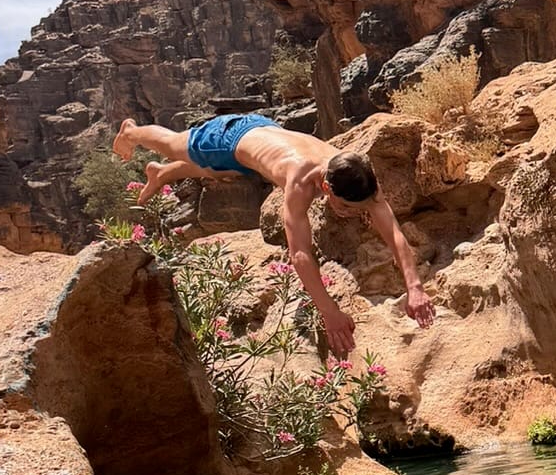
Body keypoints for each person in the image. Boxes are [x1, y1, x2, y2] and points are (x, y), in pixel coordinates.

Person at [112, 113, 434, 357]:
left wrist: (415, 287)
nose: (354, 212)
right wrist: (329, 311)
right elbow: (300, 254)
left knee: (223, 169)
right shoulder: (298, 181)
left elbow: (393, 233)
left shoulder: (354, 173)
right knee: (174, 145)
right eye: (347, 207)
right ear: (325, 187)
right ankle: (132, 132)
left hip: (262, 135)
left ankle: (161, 173)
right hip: (231, 136)